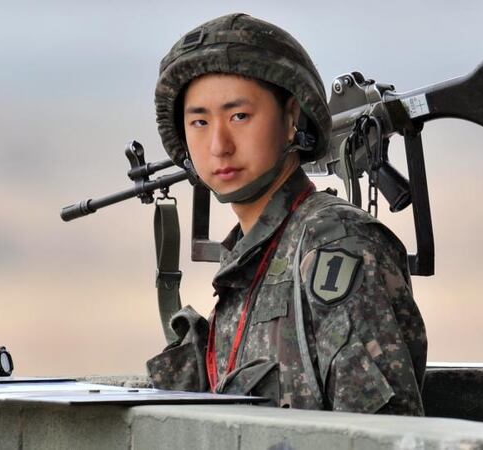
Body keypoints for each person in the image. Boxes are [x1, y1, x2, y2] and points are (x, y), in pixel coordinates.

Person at [145, 13, 427, 415]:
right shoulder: (253, 257)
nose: (219, 145)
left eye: (239, 116)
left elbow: (378, 433)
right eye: (200, 122)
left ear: (291, 118)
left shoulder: (333, 246)